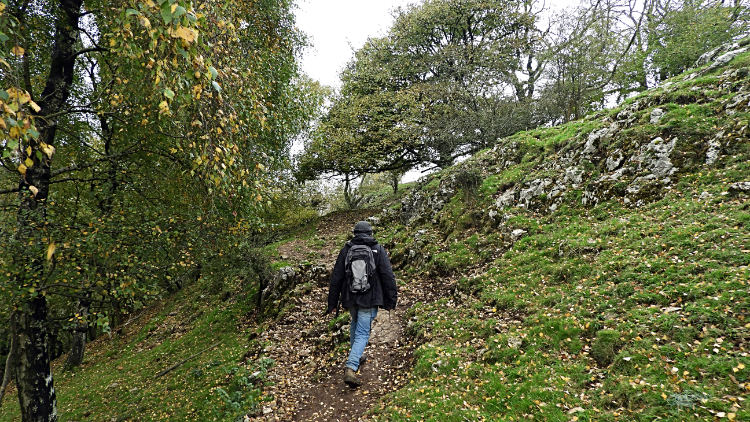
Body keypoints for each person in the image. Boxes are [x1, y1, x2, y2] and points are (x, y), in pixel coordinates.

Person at [326, 220, 398, 387]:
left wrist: (333, 303)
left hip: (350, 298)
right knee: (363, 333)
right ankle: (351, 367)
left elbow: (336, 278)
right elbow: (388, 276)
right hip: (370, 298)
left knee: (355, 324)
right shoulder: (377, 249)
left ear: (355, 233)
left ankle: (356, 356)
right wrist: (391, 301)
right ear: (370, 233)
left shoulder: (347, 249)